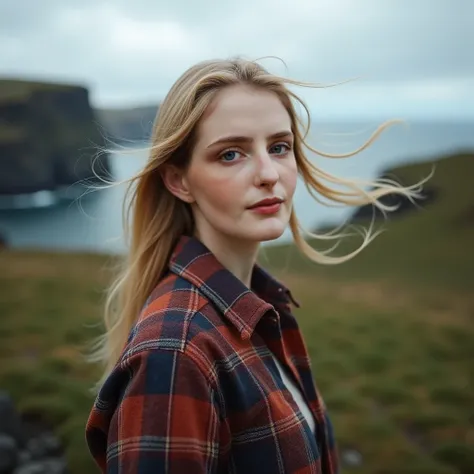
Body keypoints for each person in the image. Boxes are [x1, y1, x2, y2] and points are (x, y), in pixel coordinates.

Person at [85, 57, 424, 473]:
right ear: (179, 181)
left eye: (279, 147)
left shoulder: (258, 307)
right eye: (231, 154)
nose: (269, 174)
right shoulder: (175, 350)